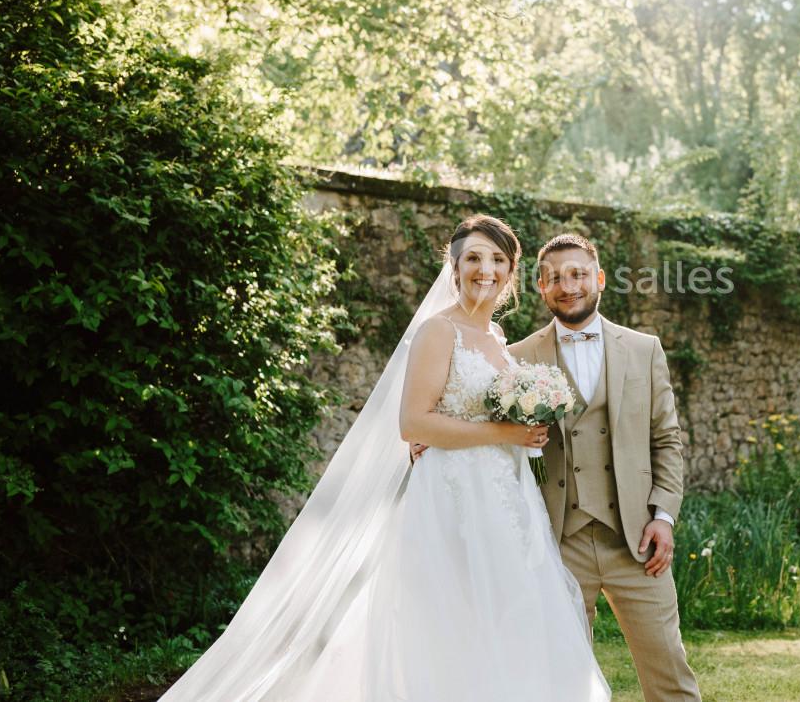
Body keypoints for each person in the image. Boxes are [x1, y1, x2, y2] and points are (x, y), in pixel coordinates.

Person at [159, 215, 609, 702]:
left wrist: (528, 431)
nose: (487, 269)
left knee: (506, 613)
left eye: (499, 260)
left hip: (505, 497)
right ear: (453, 268)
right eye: (474, 258)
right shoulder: (440, 332)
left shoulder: (499, 342)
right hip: (453, 498)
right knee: (450, 619)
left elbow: (476, 418)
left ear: (512, 272)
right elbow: (413, 423)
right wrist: (505, 431)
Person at [508, 233, 701, 702]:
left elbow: (666, 440)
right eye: (554, 277)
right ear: (540, 287)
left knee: (670, 678)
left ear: (598, 279)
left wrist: (664, 516)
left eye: (577, 274)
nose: (566, 285)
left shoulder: (644, 349)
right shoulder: (516, 358)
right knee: (562, 684)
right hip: (557, 543)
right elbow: (492, 439)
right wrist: (426, 442)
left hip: (636, 541)